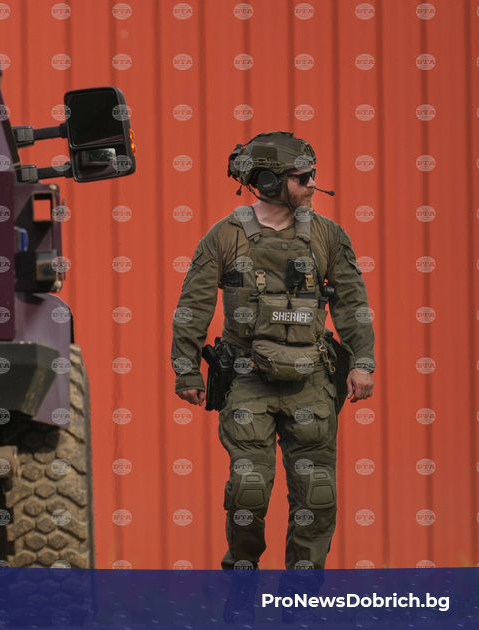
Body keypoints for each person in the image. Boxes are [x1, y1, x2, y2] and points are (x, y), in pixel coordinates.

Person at [170, 131, 376, 572]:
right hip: (247, 379)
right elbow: (193, 306)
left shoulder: (327, 236)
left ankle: (302, 595)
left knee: (317, 496)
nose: (313, 184)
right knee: (248, 490)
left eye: (312, 175)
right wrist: (186, 370)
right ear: (269, 182)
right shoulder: (225, 237)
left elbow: (352, 304)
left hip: (312, 381)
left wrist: (361, 363)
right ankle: (242, 580)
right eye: (303, 177)